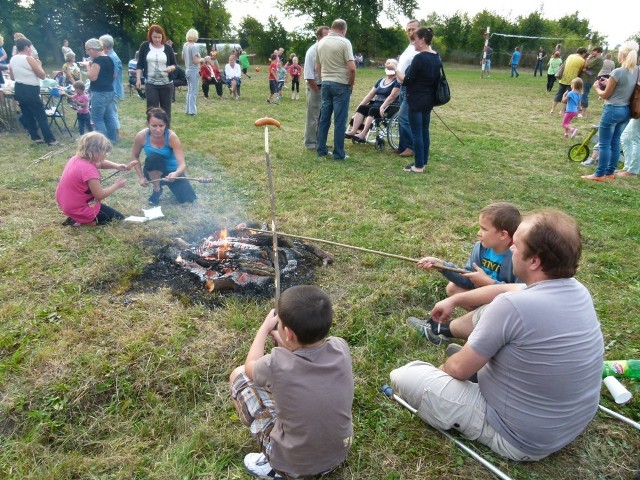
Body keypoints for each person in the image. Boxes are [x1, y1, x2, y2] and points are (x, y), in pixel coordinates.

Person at [391, 209, 605, 461]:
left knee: (404, 376)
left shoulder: (513, 307)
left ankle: (472, 364)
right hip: (568, 422)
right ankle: (446, 334)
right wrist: (457, 298)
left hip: (520, 439)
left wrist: (452, 370)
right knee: (491, 311)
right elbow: (507, 289)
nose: (512, 249)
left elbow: (456, 370)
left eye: (517, 245)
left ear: (534, 261)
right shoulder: (577, 290)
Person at [229, 285, 354, 478]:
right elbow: (302, 352)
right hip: (336, 454)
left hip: (293, 466)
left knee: (238, 376)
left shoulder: (275, 364)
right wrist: (284, 339)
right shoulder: (340, 347)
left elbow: (249, 367)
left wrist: (264, 328)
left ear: (288, 334)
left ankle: (276, 469)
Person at [582, 41, 639, 181]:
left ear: (622, 55)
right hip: (626, 111)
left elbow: (605, 95)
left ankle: (599, 174)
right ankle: (610, 172)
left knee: (604, 143)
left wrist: (597, 87)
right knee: (615, 142)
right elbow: (626, 87)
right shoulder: (637, 71)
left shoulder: (617, 72)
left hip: (612, 110)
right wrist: (610, 83)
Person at [56, 132, 128, 226]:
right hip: (78, 208)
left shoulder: (76, 158)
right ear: (96, 152)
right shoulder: (89, 171)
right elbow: (99, 195)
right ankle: (82, 221)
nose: (106, 155)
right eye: (105, 152)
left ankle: (76, 218)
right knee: (119, 218)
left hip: (66, 202)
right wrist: (116, 186)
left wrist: (116, 166)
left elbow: (101, 163)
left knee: (110, 214)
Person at [394, 27, 440, 173]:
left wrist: (396, 70)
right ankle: (423, 161)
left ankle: (418, 166)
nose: (413, 43)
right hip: (429, 99)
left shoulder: (419, 58)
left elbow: (407, 81)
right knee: (424, 131)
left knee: (417, 133)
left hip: (415, 99)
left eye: (414, 40)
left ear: (421, 40)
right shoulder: (436, 56)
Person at [130, 108, 196, 205]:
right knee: (153, 158)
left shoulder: (171, 137)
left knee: (189, 200)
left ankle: (174, 186)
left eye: (161, 125)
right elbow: (135, 157)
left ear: (166, 125)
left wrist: (176, 173)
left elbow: (182, 164)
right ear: (147, 124)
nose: (158, 129)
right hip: (153, 171)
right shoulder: (142, 136)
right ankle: (157, 190)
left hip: (172, 173)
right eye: (154, 125)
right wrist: (141, 177)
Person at [316, 18, 356, 161]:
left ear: (332, 28)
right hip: (340, 84)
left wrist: (323, 79)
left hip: (326, 83)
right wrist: (350, 84)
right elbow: (351, 68)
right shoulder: (344, 42)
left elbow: (317, 66)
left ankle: (321, 149)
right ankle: (339, 153)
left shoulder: (321, 43)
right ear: (343, 29)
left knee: (324, 118)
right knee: (339, 120)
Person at [8, 37, 60, 146]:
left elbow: (12, 77)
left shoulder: (12, 59)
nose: (31, 50)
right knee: (41, 115)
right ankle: (50, 139)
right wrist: (39, 64)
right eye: (30, 47)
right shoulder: (29, 59)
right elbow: (42, 75)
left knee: (27, 114)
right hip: (30, 89)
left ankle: (35, 137)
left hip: (19, 89)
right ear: (26, 47)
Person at [344, 59, 400, 143]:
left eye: (390, 65)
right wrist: (361, 104)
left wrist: (383, 106)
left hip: (388, 106)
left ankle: (363, 134)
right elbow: (371, 94)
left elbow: (392, 96)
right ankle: (353, 131)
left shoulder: (397, 81)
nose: (387, 66)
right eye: (386, 64)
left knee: (372, 110)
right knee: (362, 108)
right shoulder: (381, 80)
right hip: (376, 104)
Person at [136, 24, 178, 123]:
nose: (157, 39)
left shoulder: (167, 48)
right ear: (150, 36)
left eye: (159, 37)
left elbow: (175, 64)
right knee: (152, 111)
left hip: (166, 84)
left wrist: (171, 68)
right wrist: (138, 79)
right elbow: (139, 65)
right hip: (151, 84)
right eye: (155, 37)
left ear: (162, 37)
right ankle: (152, 134)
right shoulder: (145, 46)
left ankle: (166, 134)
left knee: (166, 111)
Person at [395, 19, 421, 157]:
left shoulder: (419, 47)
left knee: (403, 118)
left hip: (411, 88)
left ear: (419, 29)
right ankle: (402, 146)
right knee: (403, 118)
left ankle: (411, 147)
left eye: (413, 29)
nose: (410, 32)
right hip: (402, 87)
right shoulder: (410, 46)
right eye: (408, 30)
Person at [85, 38, 117, 143]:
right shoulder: (109, 58)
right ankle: (112, 139)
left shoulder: (98, 60)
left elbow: (92, 77)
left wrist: (87, 67)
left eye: (87, 49)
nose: (87, 52)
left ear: (93, 49)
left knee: (97, 118)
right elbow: (114, 75)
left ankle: (101, 143)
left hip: (99, 92)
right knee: (109, 116)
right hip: (109, 91)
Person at [303, 26, 330, 150]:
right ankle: (310, 143)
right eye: (326, 36)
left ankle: (320, 141)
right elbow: (308, 75)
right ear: (318, 37)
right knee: (313, 115)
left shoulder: (327, 50)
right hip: (315, 86)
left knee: (323, 115)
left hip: (325, 86)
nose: (328, 38)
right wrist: (316, 89)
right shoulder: (312, 52)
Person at [99, 35, 123, 141]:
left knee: (112, 112)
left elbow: (114, 75)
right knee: (110, 112)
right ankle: (114, 133)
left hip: (112, 89)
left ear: (104, 46)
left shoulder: (112, 57)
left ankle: (116, 135)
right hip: (110, 89)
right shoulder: (109, 55)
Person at [551, 47, 587, 114]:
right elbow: (581, 70)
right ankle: (562, 111)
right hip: (572, 81)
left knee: (558, 94)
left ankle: (552, 109)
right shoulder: (582, 60)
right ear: (584, 53)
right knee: (567, 95)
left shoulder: (570, 56)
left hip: (563, 78)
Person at [579, 47, 604, 118]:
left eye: (594, 51)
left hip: (588, 79)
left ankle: (583, 113)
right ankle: (581, 109)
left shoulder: (598, 59)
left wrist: (587, 59)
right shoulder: (594, 58)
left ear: (598, 52)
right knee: (582, 94)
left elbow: (586, 65)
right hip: (585, 78)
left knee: (584, 95)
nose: (592, 52)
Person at [182, 28, 200, 115]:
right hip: (193, 70)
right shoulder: (195, 46)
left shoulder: (185, 46)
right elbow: (196, 60)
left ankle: (188, 109)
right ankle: (192, 111)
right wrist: (203, 59)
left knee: (189, 90)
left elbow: (183, 57)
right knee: (194, 91)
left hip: (187, 69)